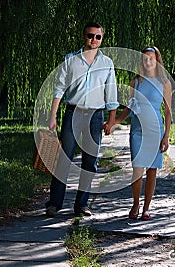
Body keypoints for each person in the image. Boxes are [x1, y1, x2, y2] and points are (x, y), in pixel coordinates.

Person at [46, 22, 118, 217]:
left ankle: (81, 205)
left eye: (97, 37)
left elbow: (111, 94)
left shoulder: (107, 63)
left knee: (90, 161)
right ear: (83, 36)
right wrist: (52, 116)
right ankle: (55, 203)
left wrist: (111, 121)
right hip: (73, 113)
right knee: (64, 158)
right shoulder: (70, 60)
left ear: (102, 39)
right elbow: (59, 89)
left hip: (95, 116)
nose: (93, 40)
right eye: (89, 35)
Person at [105, 46, 171, 220]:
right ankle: (135, 203)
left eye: (151, 58)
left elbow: (169, 112)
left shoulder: (164, 82)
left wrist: (166, 136)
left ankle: (147, 208)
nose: (148, 61)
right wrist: (114, 122)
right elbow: (129, 107)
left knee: (152, 171)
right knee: (137, 169)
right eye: (145, 58)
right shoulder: (136, 81)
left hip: (155, 130)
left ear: (157, 60)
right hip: (137, 130)